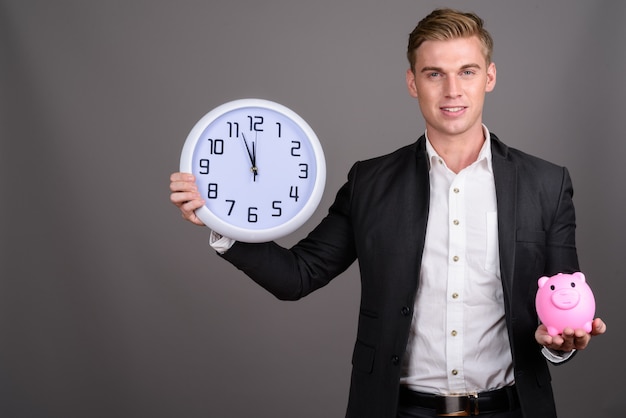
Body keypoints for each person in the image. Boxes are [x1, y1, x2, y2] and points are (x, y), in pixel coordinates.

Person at [169, 8, 606, 418]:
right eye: (434, 74)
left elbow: (565, 301)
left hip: (512, 408)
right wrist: (220, 223)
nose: (452, 90)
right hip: (396, 409)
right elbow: (298, 276)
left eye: (466, 72)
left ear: (488, 77)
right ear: (413, 82)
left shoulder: (546, 184)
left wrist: (562, 341)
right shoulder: (370, 182)